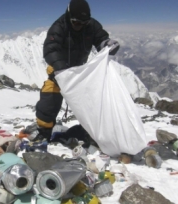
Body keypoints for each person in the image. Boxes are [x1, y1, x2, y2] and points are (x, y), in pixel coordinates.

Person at [25, 0, 120, 142]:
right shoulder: (59, 27)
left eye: (84, 23)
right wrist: (62, 69)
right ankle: (44, 132)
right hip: (58, 72)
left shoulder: (91, 25)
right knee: (49, 100)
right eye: (76, 22)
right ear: (69, 17)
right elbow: (50, 49)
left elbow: (101, 39)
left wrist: (107, 44)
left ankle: (93, 133)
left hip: (79, 73)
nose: (80, 26)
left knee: (92, 101)